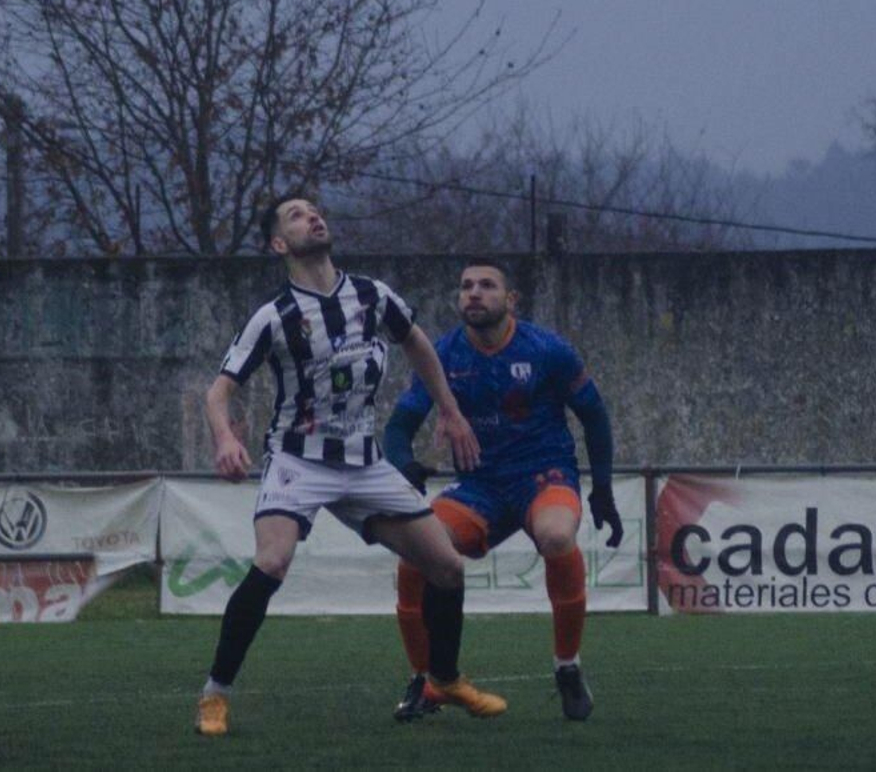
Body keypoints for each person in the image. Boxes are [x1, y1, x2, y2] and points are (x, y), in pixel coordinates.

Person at [195, 195, 507, 736]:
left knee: (448, 567)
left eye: (314, 210)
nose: (312, 217)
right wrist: (224, 437)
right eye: (296, 215)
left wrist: (451, 413)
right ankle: (214, 696)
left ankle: (446, 679)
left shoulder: (372, 295)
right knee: (271, 563)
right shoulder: (274, 317)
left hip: (365, 464)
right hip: (299, 459)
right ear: (278, 244)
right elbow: (218, 391)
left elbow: (418, 346)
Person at [384, 259, 623, 723]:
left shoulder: (548, 349)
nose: (474, 293)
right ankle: (425, 679)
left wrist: (604, 490)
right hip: (479, 485)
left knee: (556, 536)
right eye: (466, 286)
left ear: (510, 300)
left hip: (543, 473)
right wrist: (404, 464)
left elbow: (594, 415)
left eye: (487, 286)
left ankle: (567, 668)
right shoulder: (443, 354)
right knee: (415, 555)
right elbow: (398, 426)